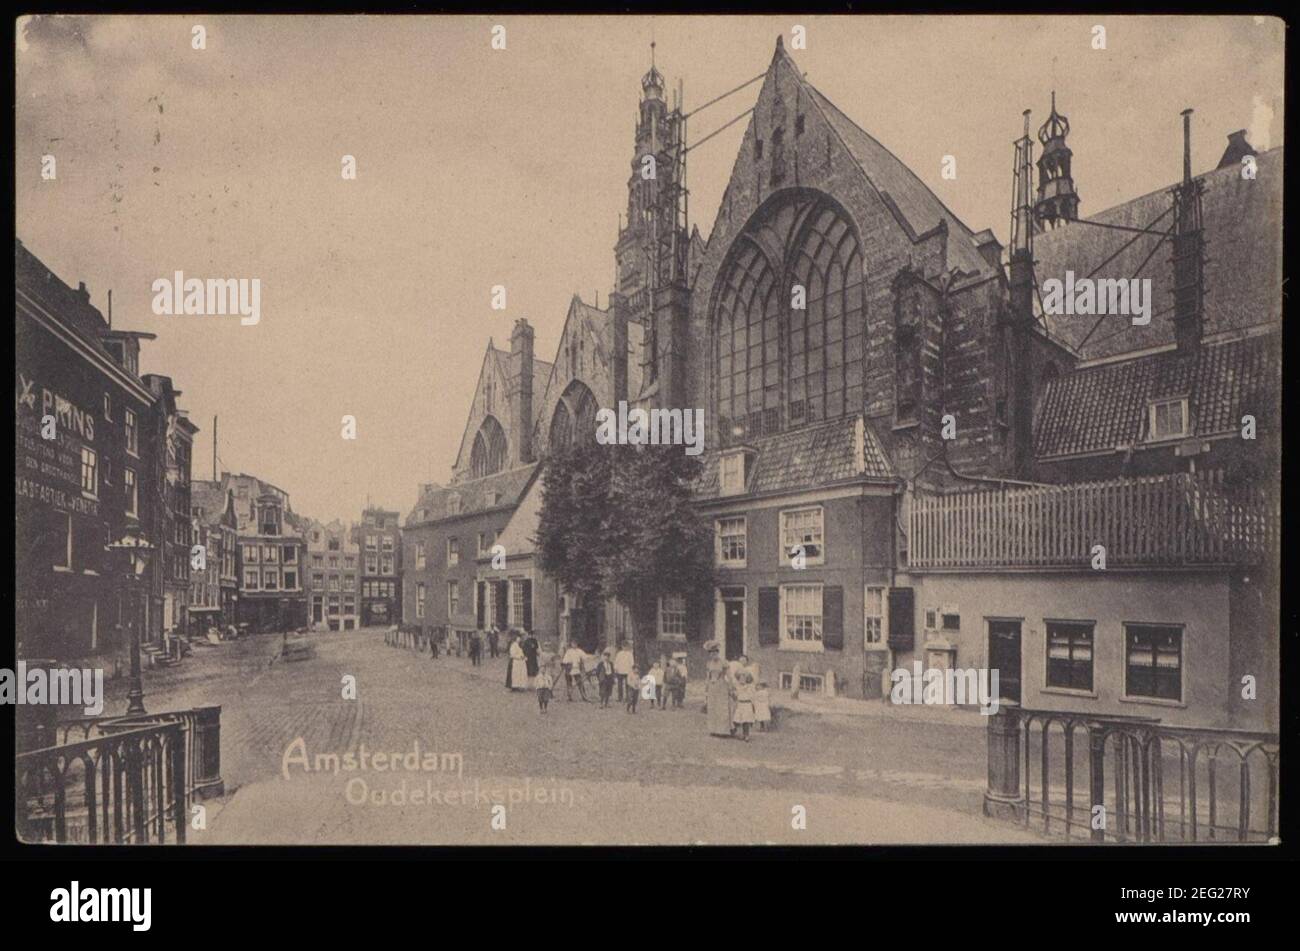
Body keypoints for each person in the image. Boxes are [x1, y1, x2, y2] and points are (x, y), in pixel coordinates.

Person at [705, 644, 733, 737]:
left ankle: (723, 730)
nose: (713, 655)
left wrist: (731, 686)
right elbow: (707, 676)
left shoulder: (724, 662)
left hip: (721, 685)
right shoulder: (709, 663)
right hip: (712, 687)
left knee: (722, 707)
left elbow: (729, 676)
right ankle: (713, 729)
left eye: (715, 652)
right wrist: (707, 686)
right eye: (711, 653)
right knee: (713, 707)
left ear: (718, 653)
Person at [732, 672, 757, 741]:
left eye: (743, 679)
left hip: (747, 704)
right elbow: (735, 696)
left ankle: (746, 735)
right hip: (740, 704)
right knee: (736, 719)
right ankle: (733, 731)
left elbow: (753, 696)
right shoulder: (737, 687)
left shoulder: (750, 687)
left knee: (746, 721)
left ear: (747, 680)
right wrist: (733, 694)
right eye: (740, 679)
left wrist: (753, 706)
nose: (741, 680)